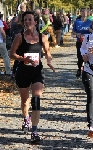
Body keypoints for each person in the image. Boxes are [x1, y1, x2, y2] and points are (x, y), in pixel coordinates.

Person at [10, 11, 55, 143]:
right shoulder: (19, 37)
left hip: (37, 71)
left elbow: (47, 53)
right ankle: (26, 119)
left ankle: (34, 131)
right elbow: (11, 54)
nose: (27, 22)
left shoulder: (43, 37)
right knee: (25, 101)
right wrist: (23, 58)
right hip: (23, 71)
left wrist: (49, 61)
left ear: (36, 22)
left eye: (30, 19)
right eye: (25, 20)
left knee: (36, 99)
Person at [72, 8, 92, 78]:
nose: (84, 13)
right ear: (80, 12)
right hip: (80, 42)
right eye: (82, 11)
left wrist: (91, 30)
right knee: (80, 58)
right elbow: (73, 32)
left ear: (88, 13)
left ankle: (87, 72)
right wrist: (77, 34)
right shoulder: (77, 22)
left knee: (88, 57)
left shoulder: (90, 22)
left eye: (86, 11)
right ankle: (79, 69)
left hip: (88, 43)